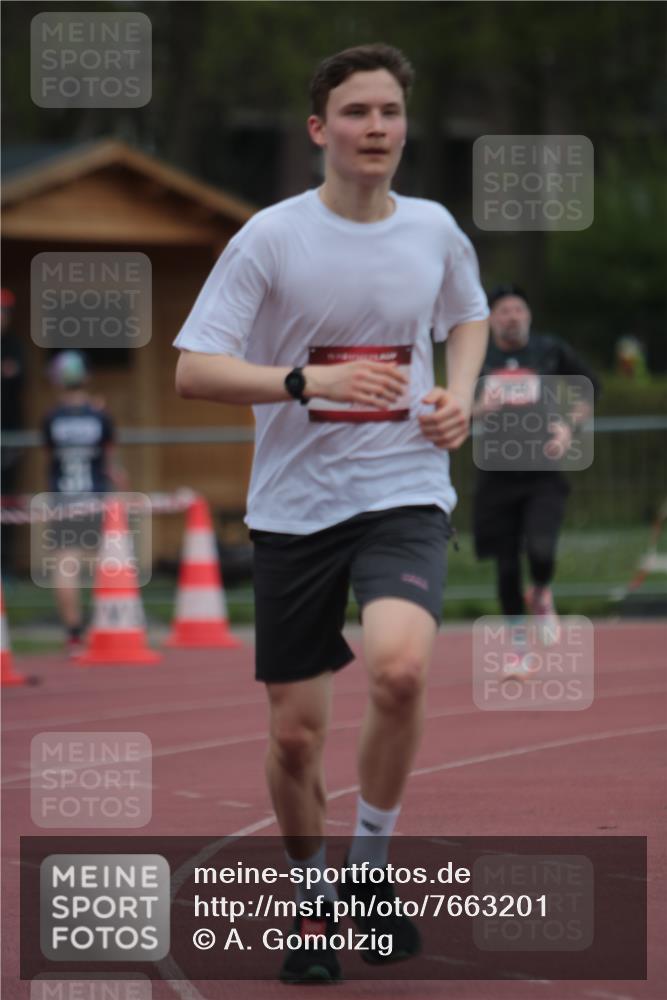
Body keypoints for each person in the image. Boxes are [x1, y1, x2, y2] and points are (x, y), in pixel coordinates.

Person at [174, 43, 489, 983]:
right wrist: (305, 381)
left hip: (403, 491)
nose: (375, 128)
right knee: (295, 735)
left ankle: (370, 867)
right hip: (295, 510)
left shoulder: (433, 228)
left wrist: (460, 395)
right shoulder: (270, 238)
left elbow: (467, 314)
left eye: (389, 111)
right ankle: (311, 901)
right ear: (320, 129)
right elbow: (193, 370)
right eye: (356, 112)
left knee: (399, 669)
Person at [472, 284, 600, 663]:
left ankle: (541, 590)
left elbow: (590, 387)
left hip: (543, 470)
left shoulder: (549, 350)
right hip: (496, 474)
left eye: (518, 310)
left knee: (541, 548)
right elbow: (454, 406)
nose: (512, 317)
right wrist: (479, 409)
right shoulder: (478, 355)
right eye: (504, 311)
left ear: (528, 315)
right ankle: (517, 644)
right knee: (507, 564)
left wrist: (568, 427)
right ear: (491, 319)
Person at [42, 350, 126, 655]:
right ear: (86, 378)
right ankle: (106, 627)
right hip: (95, 496)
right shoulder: (100, 416)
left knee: (66, 565)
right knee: (107, 563)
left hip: (63, 497)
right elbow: (111, 462)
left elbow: (50, 456)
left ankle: (74, 634)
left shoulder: (51, 418)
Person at [1, 288, 25, 577]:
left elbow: (18, 379)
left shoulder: (14, 346)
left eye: (5, 312)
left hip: (10, 434)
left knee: (6, 499)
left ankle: (5, 565)